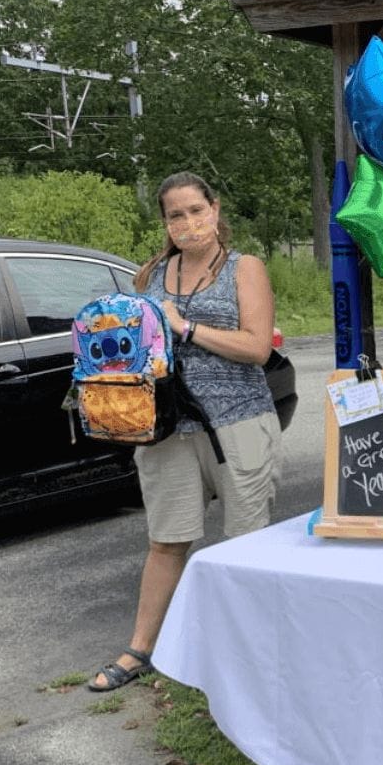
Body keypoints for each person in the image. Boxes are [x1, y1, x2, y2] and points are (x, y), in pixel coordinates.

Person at [89, 171, 280, 691]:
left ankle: (246, 657)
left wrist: (186, 327)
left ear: (215, 210)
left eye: (197, 210)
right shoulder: (150, 276)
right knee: (167, 540)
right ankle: (140, 649)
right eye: (177, 215)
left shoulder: (245, 269)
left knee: (244, 544)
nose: (189, 223)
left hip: (237, 420)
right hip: (166, 428)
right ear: (166, 223)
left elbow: (257, 348)